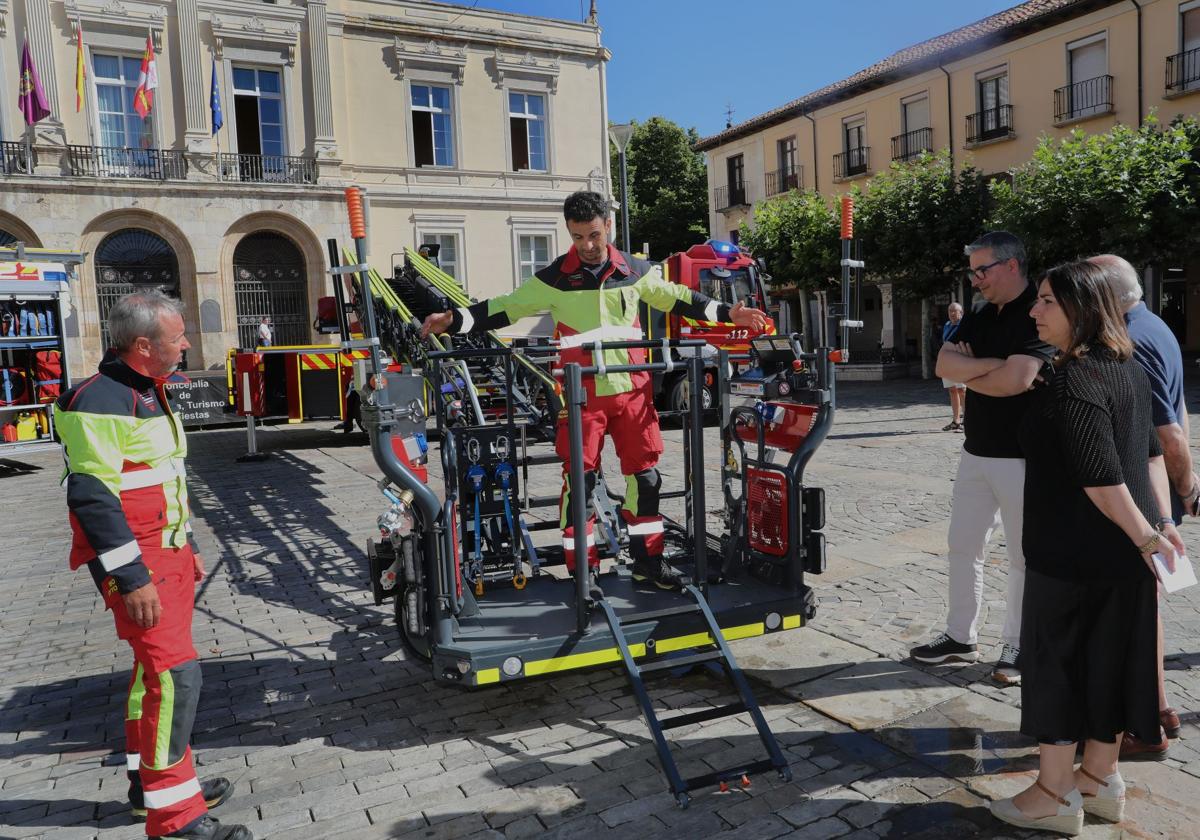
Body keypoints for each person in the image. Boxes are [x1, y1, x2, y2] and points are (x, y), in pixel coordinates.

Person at [421, 191, 767, 599]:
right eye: (577, 236)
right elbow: (503, 308)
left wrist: (730, 314)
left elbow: (681, 299)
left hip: (634, 394)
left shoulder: (637, 271)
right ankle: (582, 572)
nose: (587, 245)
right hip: (580, 395)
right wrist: (453, 320)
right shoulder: (553, 278)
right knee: (580, 484)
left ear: (609, 227)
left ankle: (648, 564)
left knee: (648, 479)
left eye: (594, 235)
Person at [988, 259, 1182, 836]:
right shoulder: (1125, 367)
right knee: (1109, 665)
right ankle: (1099, 782)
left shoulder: (1073, 378)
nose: (1034, 309)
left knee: (1059, 669)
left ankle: (1052, 793)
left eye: (1046, 300)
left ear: (1081, 309)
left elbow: (1102, 476)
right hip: (1123, 556)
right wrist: (1158, 525)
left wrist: (1148, 533)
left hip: (1072, 554)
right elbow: (1146, 455)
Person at [54, 292, 252, 840]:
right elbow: (92, 496)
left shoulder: (145, 390)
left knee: (153, 674)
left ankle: (156, 788)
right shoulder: (99, 399)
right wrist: (131, 576)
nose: (187, 343)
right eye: (178, 336)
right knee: (175, 677)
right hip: (137, 563)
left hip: (166, 555)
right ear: (144, 345)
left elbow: (163, 480)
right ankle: (176, 821)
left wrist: (185, 545)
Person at [910, 232, 1054, 685]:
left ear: (1012, 265)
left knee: (1023, 558)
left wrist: (974, 370)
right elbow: (943, 365)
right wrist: (993, 367)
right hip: (976, 450)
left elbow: (1019, 378)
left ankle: (1018, 646)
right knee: (963, 546)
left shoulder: (1040, 310)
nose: (975, 281)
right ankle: (960, 636)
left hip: (1023, 456)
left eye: (982, 270)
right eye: (972, 271)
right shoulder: (978, 312)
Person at [1091, 253, 1193, 758]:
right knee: (1143, 607)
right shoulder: (1157, 325)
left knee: (1136, 611)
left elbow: (1167, 430)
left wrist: (1185, 491)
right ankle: (1157, 709)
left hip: (1143, 494)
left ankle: (1149, 722)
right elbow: (1180, 413)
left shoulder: (1131, 340)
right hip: (1155, 492)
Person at [941, 302, 967, 431]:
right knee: (952, 390)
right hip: (948, 362)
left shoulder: (965, 325)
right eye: (950, 311)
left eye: (954, 311)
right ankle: (956, 420)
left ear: (961, 312)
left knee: (962, 390)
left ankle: (968, 420)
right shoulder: (947, 325)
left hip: (960, 361)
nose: (951, 313)